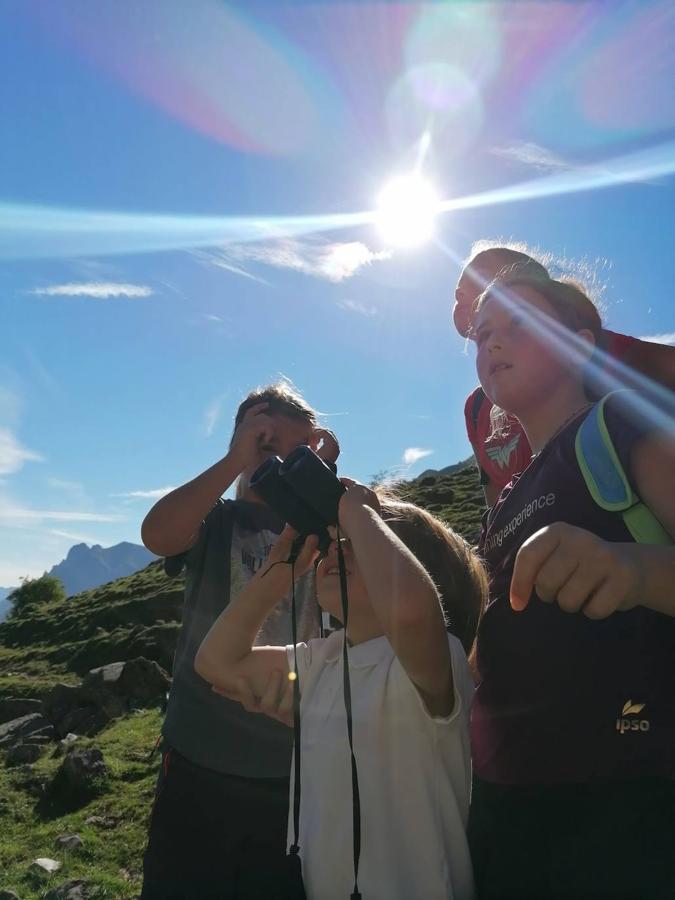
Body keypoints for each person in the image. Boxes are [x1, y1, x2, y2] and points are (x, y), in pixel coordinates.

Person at [467, 270, 675, 900]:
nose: (492, 343)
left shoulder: (621, 428)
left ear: (582, 345)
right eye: (482, 334)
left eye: (519, 326)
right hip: (512, 809)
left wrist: (635, 571)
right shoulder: (501, 505)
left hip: (628, 801)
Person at [195, 480, 488, 900]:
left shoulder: (437, 663)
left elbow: (409, 612)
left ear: (422, 574)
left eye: (356, 543)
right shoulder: (322, 661)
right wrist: (277, 576)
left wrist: (359, 511)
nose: (336, 549)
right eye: (338, 540)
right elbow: (218, 664)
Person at [139, 381, 337, 900]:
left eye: (278, 443)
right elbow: (157, 533)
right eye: (254, 439)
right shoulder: (217, 521)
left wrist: (323, 481)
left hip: (293, 769)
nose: (262, 451)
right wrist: (233, 461)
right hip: (198, 760)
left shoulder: (328, 529)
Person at [453, 242, 675, 506]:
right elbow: (496, 501)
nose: (460, 295)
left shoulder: (594, 352)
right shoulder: (477, 407)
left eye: (483, 278)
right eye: (485, 334)